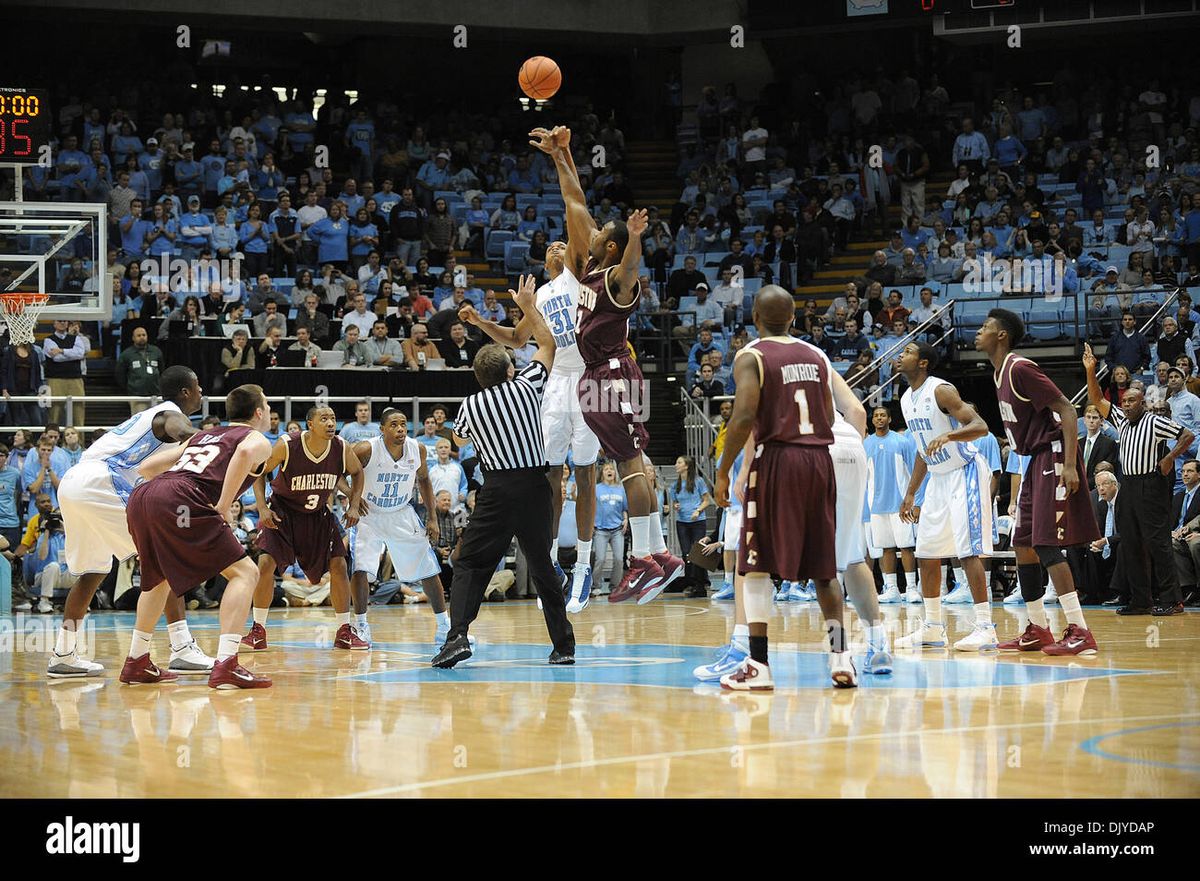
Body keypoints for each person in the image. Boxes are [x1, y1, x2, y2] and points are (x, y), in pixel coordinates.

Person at [532, 125, 683, 604]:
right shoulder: (585, 269)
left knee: (631, 463)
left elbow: (632, 267)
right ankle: (659, 555)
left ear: (612, 247)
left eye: (601, 235)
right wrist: (563, 155)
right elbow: (576, 203)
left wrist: (636, 238)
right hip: (598, 376)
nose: (589, 233)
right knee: (631, 460)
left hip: (614, 372)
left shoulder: (616, 277)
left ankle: (643, 560)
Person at [431, 275, 575, 669]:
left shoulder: (470, 406)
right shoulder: (528, 386)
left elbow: (459, 442)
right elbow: (547, 345)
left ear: (479, 378)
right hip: (534, 486)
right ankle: (563, 647)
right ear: (511, 370)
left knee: (470, 563)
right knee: (543, 566)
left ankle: (458, 635)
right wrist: (528, 305)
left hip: (495, 490)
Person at [713, 285, 852, 691]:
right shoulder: (817, 356)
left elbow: (742, 416)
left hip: (778, 459)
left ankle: (758, 665)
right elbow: (827, 413)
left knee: (754, 564)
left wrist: (723, 470)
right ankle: (841, 657)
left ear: (755, 318)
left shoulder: (751, 355)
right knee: (824, 569)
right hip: (819, 461)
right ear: (793, 318)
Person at [459, 237, 603, 610]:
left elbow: (581, 236)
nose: (558, 246)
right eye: (552, 246)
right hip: (555, 384)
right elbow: (517, 338)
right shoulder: (540, 295)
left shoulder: (582, 278)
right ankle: (552, 562)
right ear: (543, 263)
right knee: (550, 474)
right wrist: (481, 322)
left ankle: (584, 565)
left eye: (563, 244)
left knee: (586, 475)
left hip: (590, 379)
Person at [49, 367, 212, 678]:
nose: (202, 390)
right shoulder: (169, 412)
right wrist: (210, 441)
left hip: (74, 482)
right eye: (197, 386)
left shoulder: (149, 415)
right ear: (185, 392)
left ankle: (63, 653)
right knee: (163, 557)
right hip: (101, 479)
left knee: (93, 572)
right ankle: (181, 648)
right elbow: (177, 427)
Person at [119, 383, 274, 688]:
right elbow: (243, 453)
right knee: (245, 573)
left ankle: (136, 661)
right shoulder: (257, 438)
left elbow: (148, 467)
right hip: (181, 496)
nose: (269, 412)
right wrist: (224, 505)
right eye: (267, 407)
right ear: (258, 413)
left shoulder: (203, 435)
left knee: (157, 579)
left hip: (145, 496)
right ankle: (227, 664)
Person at [978, 310, 1105, 655]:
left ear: (1001, 335)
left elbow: (1067, 409)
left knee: (1047, 543)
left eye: (985, 327)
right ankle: (1038, 628)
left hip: (1054, 456)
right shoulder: (997, 374)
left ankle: (1081, 630)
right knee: (1023, 542)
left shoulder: (1020, 368)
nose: (978, 332)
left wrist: (1070, 465)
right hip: (1035, 460)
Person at [896, 341, 997, 653]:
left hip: (965, 470)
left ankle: (985, 628)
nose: (901, 355)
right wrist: (910, 492)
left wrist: (950, 435)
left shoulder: (941, 390)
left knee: (967, 551)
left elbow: (980, 426)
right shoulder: (905, 400)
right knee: (926, 552)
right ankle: (933, 628)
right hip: (938, 478)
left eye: (909, 351)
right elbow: (921, 451)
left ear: (923, 362)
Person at [240, 406, 366, 651]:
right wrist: (263, 508)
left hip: (318, 515)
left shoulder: (341, 446)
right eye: (324, 419)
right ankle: (258, 630)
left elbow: (357, 472)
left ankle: (344, 630)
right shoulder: (287, 445)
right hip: (283, 513)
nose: (331, 423)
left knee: (339, 564)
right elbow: (258, 472)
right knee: (265, 564)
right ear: (310, 424)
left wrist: (354, 501)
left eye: (333, 418)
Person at [1083, 341, 1193, 616]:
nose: (1127, 405)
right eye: (1124, 402)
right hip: (1127, 486)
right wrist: (1090, 370)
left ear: (1142, 403)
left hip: (1150, 485)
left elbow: (1187, 435)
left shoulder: (1154, 421)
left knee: (1157, 542)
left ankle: (1173, 599)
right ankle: (1141, 600)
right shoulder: (1120, 420)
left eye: (1132, 401)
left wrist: (1169, 458)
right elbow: (1097, 400)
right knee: (1130, 543)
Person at [347, 409, 461, 648]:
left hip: (401, 512)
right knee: (361, 568)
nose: (400, 429)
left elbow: (424, 481)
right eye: (394, 425)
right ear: (382, 429)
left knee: (429, 569)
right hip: (369, 515)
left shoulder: (416, 448)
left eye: (403, 424)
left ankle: (444, 627)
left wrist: (432, 518)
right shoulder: (366, 449)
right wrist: (353, 499)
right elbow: (337, 475)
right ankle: (359, 625)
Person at [863, 406, 920, 603]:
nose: (879, 418)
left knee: (906, 547)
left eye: (883, 415)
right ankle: (892, 588)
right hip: (876, 506)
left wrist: (913, 499)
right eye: (876, 416)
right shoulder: (866, 444)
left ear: (889, 419)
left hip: (900, 505)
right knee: (886, 548)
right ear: (873, 421)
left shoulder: (901, 442)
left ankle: (911, 588)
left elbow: (914, 471)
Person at [668, 455, 712, 598]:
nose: (676, 464)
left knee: (697, 552)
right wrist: (675, 506)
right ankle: (691, 582)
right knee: (686, 553)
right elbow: (675, 503)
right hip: (682, 522)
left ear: (686, 466)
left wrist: (698, 510)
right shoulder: (675, 486)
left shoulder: (698, 482)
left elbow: (707, 500)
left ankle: (701, 583)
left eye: (679, 462)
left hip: (698, 522)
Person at [591, 463, 627, 597]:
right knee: (600, 559)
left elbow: (624, 508)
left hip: (617, 529)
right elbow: (591, 507)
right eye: (606, 469)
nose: (609, 471)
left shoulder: (621, 489)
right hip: (600, 529)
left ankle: (615, 587)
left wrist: (625, 519)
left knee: (618, 559)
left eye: (611, 469)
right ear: (602, 473)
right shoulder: (596, 488)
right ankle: (596, 586)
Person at [115, 326, 164, 414]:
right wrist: (132, 387)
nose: (142, 337)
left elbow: (162, 369)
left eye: (144, 335)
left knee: (157, 423)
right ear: (133, 338)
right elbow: (120, 375)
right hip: (137, 396)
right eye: (138, 335)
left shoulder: (156, 351)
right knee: (140, 423)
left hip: (155, 395)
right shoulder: (126, 354)